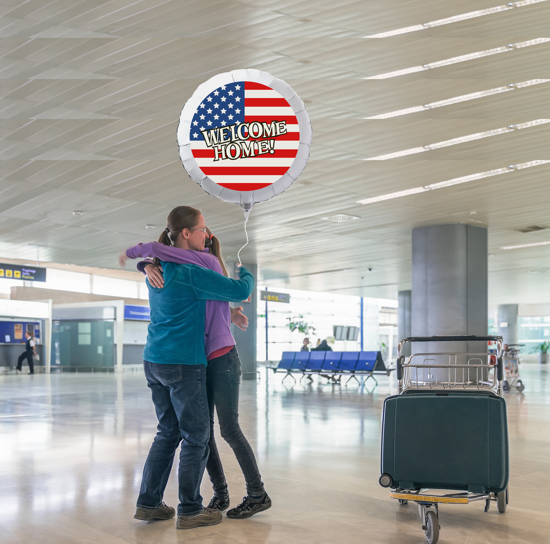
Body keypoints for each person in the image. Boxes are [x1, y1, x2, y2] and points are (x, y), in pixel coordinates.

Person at [120, 206, 254, 530]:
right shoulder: (193, 271)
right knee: (196, 436)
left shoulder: (159, 268)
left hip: (153, 360)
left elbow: (149, 257)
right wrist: (245, 271)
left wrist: (143, 264)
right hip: (183, 362)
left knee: (167, 433)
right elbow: (240, 290)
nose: (206, 235)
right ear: (186, 234)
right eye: (202, 229)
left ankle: (149, 503)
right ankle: (191, 509)